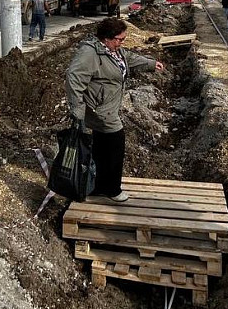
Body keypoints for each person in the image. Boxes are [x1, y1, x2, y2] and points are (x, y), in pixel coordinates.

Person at [65, 18, 164, 202]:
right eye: (119, 39)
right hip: (99, 110)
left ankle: (97, 185)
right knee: (116, 144)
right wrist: (77, 110)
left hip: (107, 107)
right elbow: (74, 78)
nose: (122, 43)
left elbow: (129, 58)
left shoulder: (113, 50)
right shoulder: (90, 53)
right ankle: (112, 189)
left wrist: (151, 64)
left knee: (101, 147)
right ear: (106, 38)